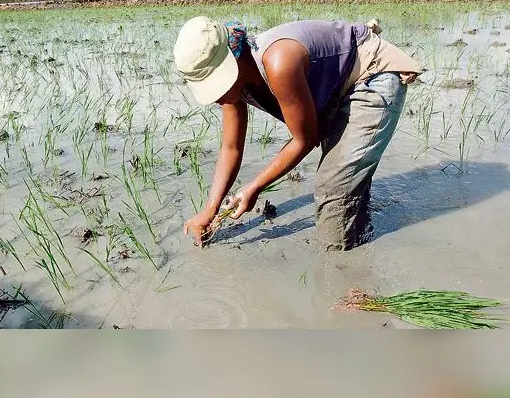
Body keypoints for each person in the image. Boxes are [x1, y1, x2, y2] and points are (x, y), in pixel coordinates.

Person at [174, 16, 422, 251]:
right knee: (344, 180)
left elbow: (306, 139)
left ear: (234, 60)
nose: (217, 97)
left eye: (216, 83)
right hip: (334, 89)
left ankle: (344, 272)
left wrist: (255, 186)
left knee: (333, 189)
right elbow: (231, 148)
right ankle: (360, 236)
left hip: (371, 76)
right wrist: (210, 210)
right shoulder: (233, 87)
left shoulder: (279, 62)